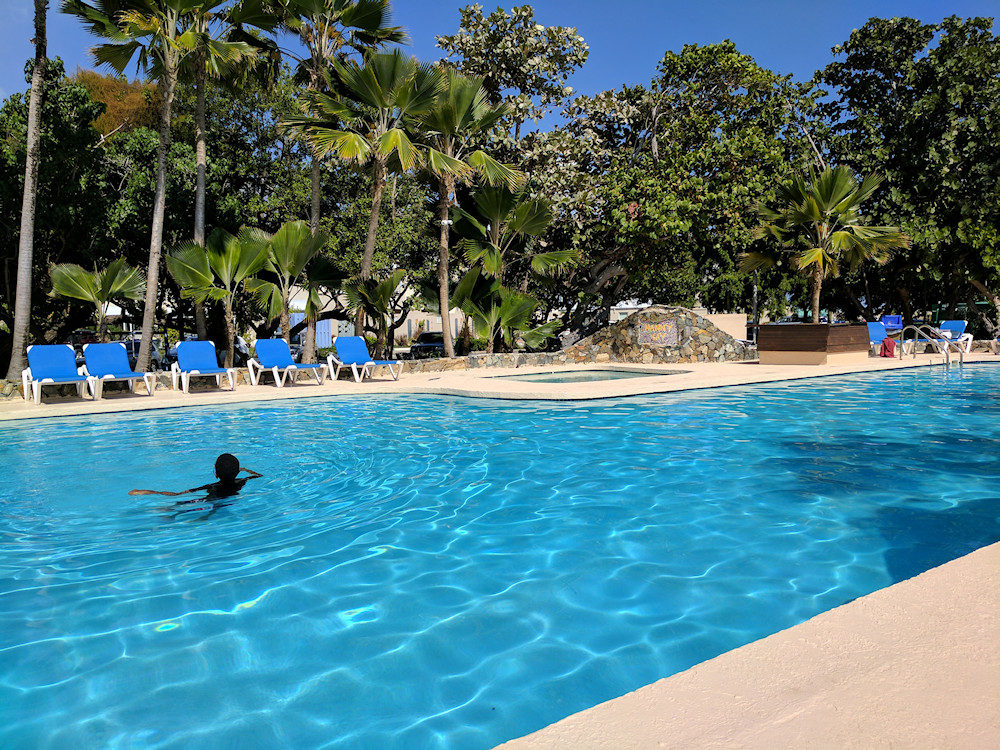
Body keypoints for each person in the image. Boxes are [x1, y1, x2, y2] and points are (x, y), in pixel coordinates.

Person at [129, 453, 262, 501]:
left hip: (213, 496)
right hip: (227, 497)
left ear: (215, 474)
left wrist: (155, 492)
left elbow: (178, 493)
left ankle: (149, 493)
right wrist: (245, 470)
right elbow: (258, 475)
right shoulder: (243, 481)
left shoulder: (210, 486)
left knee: (181, 501)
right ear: (238, 472)